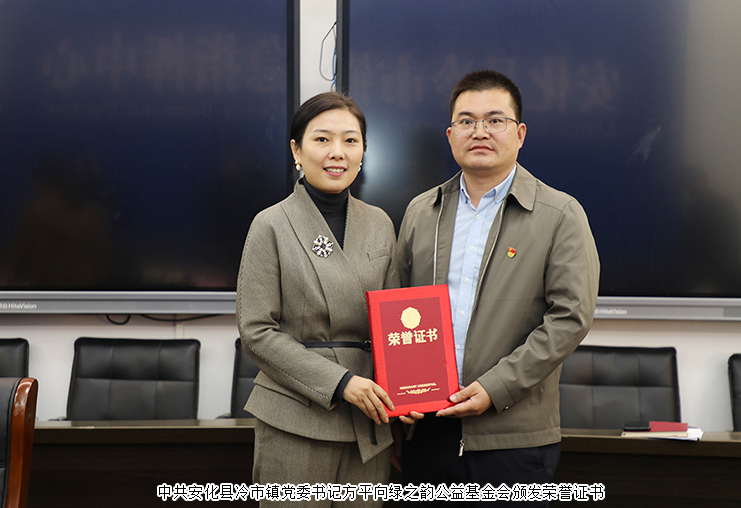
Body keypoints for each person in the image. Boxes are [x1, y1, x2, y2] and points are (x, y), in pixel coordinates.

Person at [394, 70, 600, 505]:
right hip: (427, 430)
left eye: (495, 120)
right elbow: (399, 308)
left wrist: (496, 387)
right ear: (451, 135)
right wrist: (401, 395)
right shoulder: (421, 212)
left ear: (520, 133)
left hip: (512, 439)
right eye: (466, 121)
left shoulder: (560, 214)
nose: (480, 131)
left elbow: (570, 318)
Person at [236, 92, 398, 506]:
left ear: (363, 151)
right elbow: (256, 331)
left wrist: (410, 391)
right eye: (322, 139)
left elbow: (396, 322)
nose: (337, 152)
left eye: (350, 140)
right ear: (297, 150)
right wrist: (340, 382)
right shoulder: (270, 224)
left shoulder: (380, 223)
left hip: (369, 419)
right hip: (297, 418)